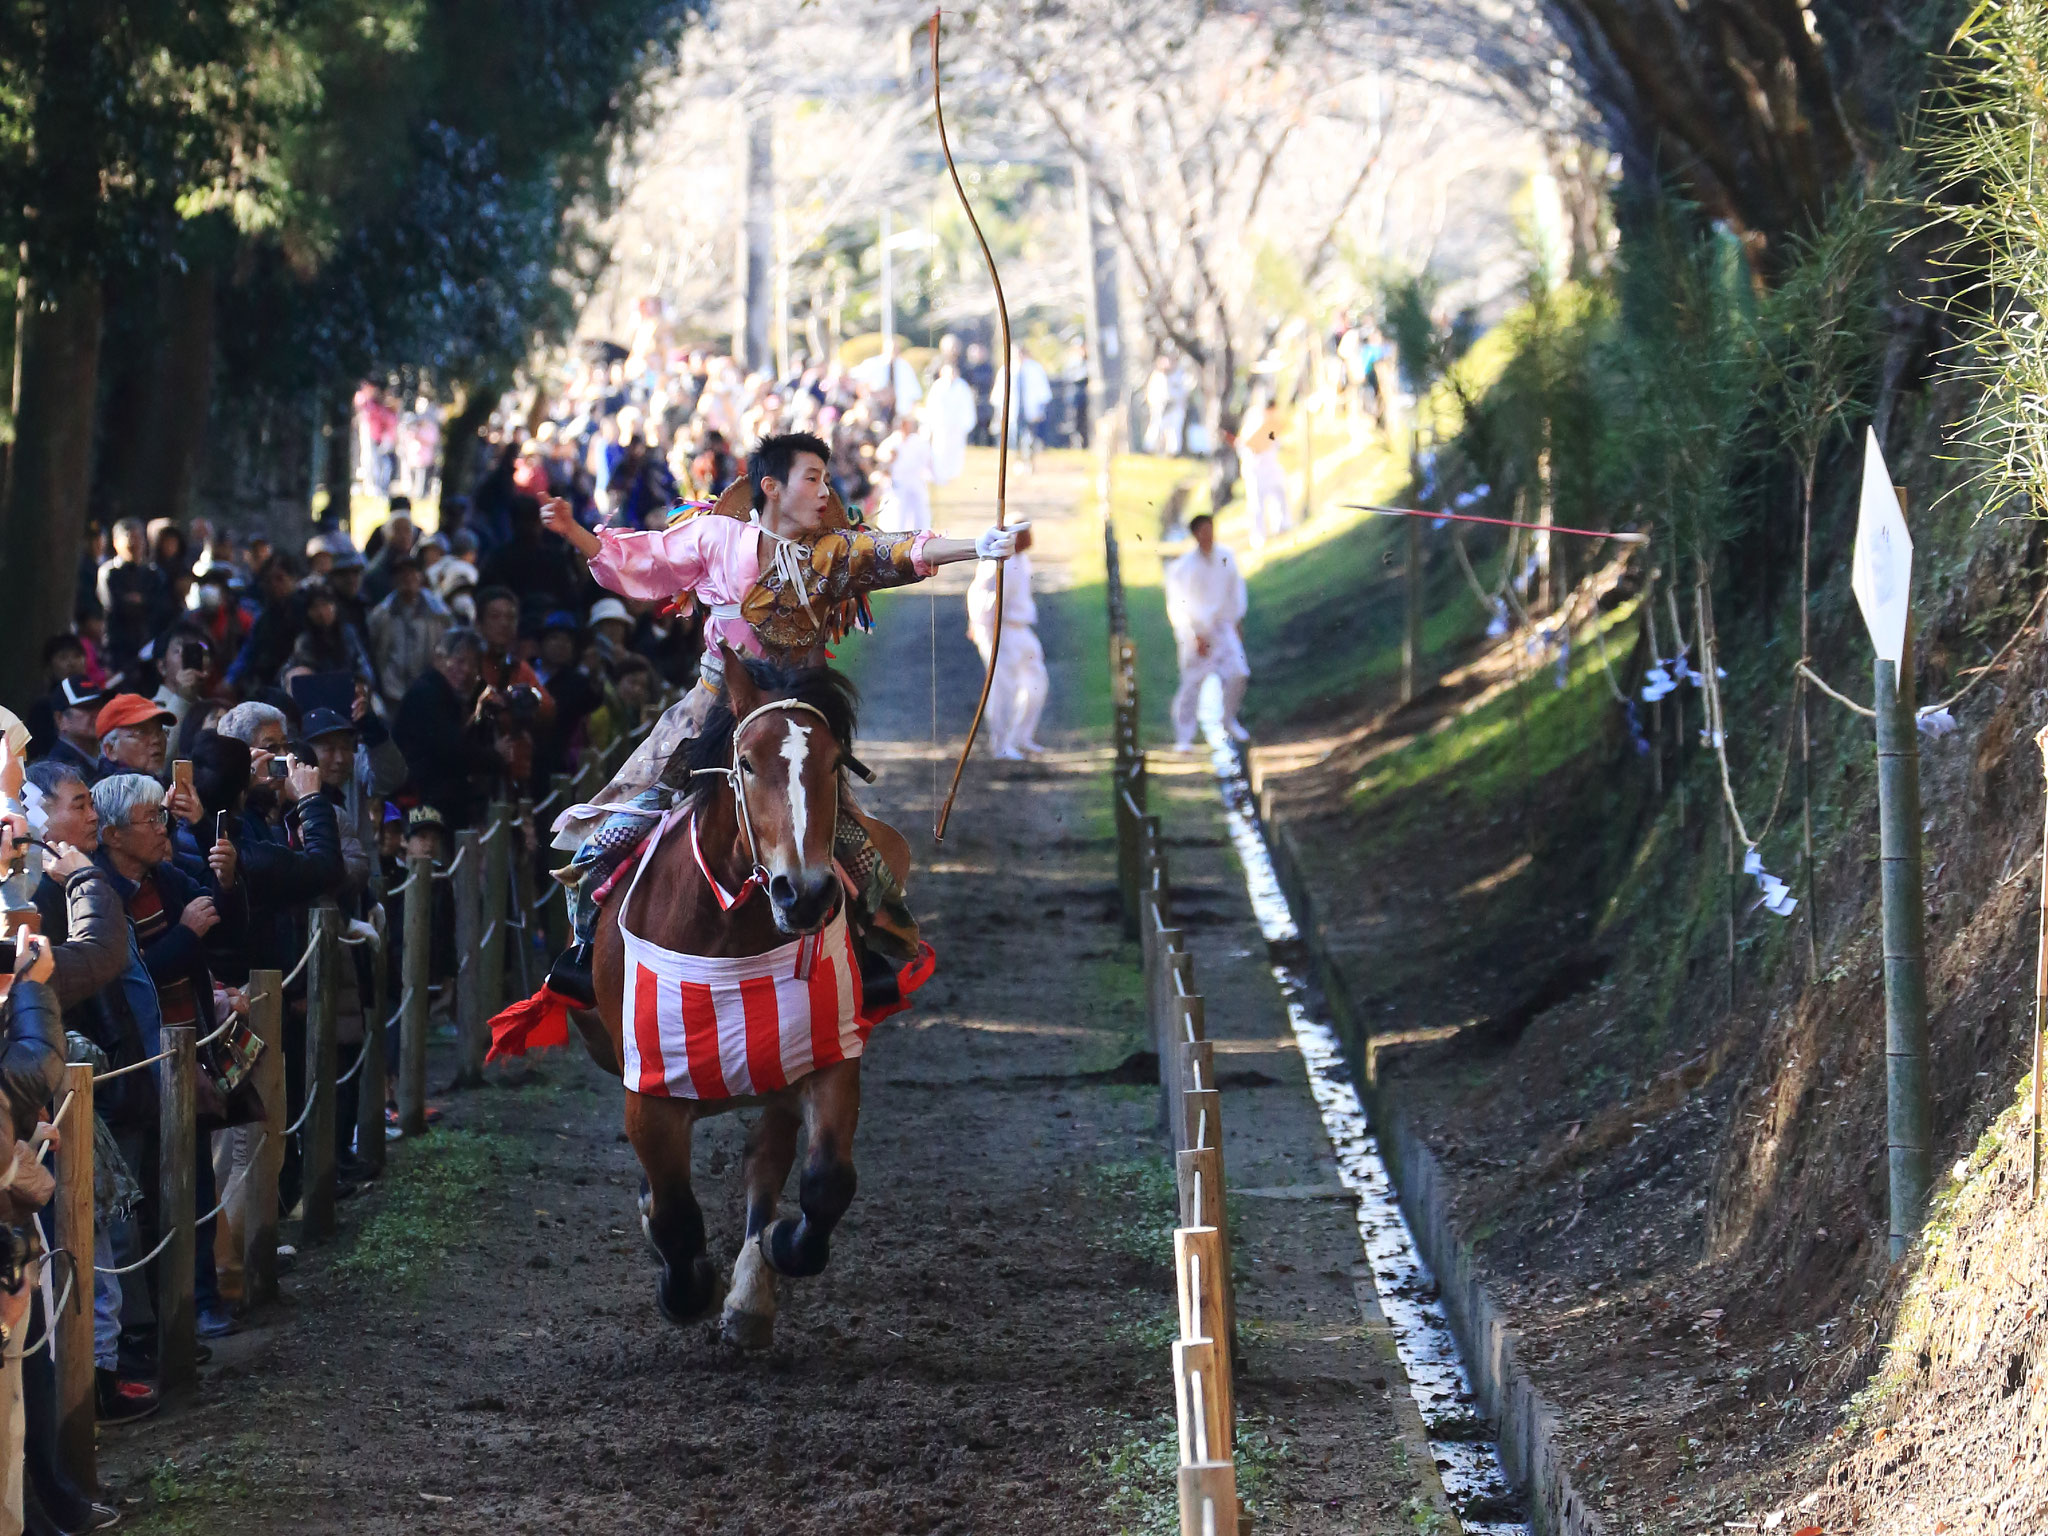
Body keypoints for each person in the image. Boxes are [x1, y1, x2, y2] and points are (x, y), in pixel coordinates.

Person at [535, 430, 1026, 1003]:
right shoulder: (716, 539)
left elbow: (897, 550)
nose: (824, 491)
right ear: (771, 487)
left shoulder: (831, 554)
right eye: (811, 478)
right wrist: (573, 532)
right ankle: (584, 951)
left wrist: (978, 546)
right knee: (616, 830)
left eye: (825, 479)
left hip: (796, 722)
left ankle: (867, 954)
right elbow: (646, 559)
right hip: (712, 710)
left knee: (849, 845)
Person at [89, 774, 241, 1340]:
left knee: (195, 1182)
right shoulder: (98, 892)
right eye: (150, 819)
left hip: (187, 1049)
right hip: (137, 1067)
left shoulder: (165, 876)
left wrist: (225, 878)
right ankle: (153, 1328)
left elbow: (223, 919)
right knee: (144, 1199)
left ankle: (199, 1301)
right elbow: (124, 981)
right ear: (112, 835)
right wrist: (184, 935)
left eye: (162, 816)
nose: (162, 828)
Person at [393, 629, 511, 831]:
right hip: (423, 799)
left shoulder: (444, 693)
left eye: (473, 664)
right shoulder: (428, 693)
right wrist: (495, 756)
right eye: (459, 660)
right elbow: (452, 750)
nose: (465, 670)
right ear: (439, 658)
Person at [1164, 513, 1250, 750]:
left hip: (1222, 627)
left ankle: (1228, 719)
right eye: (1203, 530)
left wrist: (1236, 621)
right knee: (1192, 684)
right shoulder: (1183, 568)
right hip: (1197, 630)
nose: (1208, 535)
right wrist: (1193, 633)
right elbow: (1179, 603)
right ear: (1195, 534)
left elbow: (1235, 591)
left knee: (1238, 673)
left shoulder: (1226, 557)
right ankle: (1184, 737)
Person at [967, 551, 1050, 761]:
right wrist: (980, 625)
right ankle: (1001, 745)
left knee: (1036, 679)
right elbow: (981, 593)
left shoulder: (1023, 559)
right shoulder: (997, 563)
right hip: (1000, 630)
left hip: (1021, 627)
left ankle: (1021, 736)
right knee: (1004, 688)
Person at [365, 556, 451, 711]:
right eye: (401, 573)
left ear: (420, 576)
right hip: (393, 695)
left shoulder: (439, 614)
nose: (407, 578)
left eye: (412, 572)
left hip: (430, 692)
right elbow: (374, 653)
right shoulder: (381, 615)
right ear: (393, 580)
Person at [875, 409, 937, 533]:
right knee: (896, 514)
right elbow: (881, 458)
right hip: (897, 483)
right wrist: (889, 459)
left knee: (919, 512)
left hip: (915, 481)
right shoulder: (892, 441)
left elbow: (928, 460)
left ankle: (922, 535)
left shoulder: (918, 441)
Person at [92, 693, 176, 782]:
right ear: (111, 750)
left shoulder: (167, 786)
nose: (156, 740)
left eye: (160, 731)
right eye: (142, 733)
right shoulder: (105, 794)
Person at [1241, 404, 1290, 549]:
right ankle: (1258, 538)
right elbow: (1248, 444)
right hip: (1256, 470)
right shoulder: (1254, 421)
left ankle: (1282, 526)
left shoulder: (1272, 424)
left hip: (1272, 467)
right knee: (1257, 505)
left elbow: (1276, 440)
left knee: (1280, 496)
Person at [40, 679, 106, 781]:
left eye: (99, 705)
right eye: (86, 707)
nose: (97, 713)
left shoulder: (108, 755)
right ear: (60, 719)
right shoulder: (58, 770)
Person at [924, 361, 977, 484]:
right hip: (941, 425)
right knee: (940, 449)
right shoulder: (937, 387)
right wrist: (932, 424)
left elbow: (968, 406)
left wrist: (966, 424)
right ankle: (940, 475)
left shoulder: (962, 387)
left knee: (956, 451)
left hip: (958, 426)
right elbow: (932, 406)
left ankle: (954, 474)